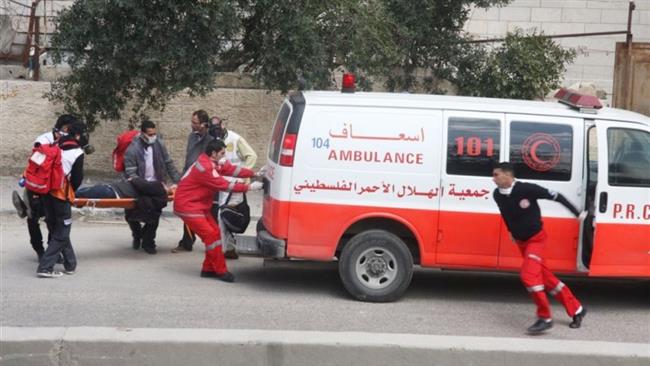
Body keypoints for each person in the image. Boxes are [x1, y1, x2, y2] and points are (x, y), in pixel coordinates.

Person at [492, 162, 587, 333]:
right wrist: (511, 232)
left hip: (536, 240)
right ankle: (577, 309)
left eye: (496, 175)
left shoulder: (527, 189)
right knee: (546, 279)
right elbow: (506, 215)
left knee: (529, 276)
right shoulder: (497, 195)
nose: (493, 179)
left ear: (508, 175)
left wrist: (577, 213)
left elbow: (556, 196)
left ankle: (545, 317)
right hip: (522, 243)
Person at [173, 139, 262, 282]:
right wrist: (249, 188)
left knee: (215, 234)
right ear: (213, 153)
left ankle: (208, 269)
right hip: (188, 205)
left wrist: (253, 174)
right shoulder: (206, 168)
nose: (224, 155)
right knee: (211, 236)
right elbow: (223, 185)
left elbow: (232, 169)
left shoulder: (212, 162)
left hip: (198, 205)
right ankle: (221, 271)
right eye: (222, 153)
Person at [12, 114, 76, 260]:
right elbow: (35, 163)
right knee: (33, 217)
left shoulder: (66, 142)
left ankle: (51, 249)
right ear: (65, 128)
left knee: (51, 218)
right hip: (38, 184)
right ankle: (40, 250)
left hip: (53, 186)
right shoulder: (43, 140)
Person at [36, 121, 87, 278]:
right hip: (60, 194)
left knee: (56, 227)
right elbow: (77, 180)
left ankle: (70, 264)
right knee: (63, 230)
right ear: (78, 135)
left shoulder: (55, 144)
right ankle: (45, 267)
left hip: (46, 192)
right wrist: (71, 192)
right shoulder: (77, 152)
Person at [123, 120, 181, 254]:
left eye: (154, 133)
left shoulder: (159, 144)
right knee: (131, 213)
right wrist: (144, 185)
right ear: (142, 134)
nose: (152, 137)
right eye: (150, 134)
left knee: (155, 212)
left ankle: (149, 241)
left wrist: (179, 181)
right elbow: (131, 174)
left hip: (157, 184)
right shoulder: (132, 149)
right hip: (139, 185)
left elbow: (168, 163)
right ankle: (137, 234)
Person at [210, 116, 258, 259]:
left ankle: (227, 248)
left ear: (223, 125)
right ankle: (228, 247)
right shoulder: (214, 141)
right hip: (221, 184)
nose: (216, 133)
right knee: (221, 215)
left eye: (218, 129)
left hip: (235, 184)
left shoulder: (235, 139)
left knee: (224, 214)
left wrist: (243, 175)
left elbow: (252, 156)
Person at [172, 110, 215, 253]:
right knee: (189, 211)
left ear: (203, 124)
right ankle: (187, 242)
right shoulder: (192, 137)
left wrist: (205, 133)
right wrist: (181, 179)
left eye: (195, 123)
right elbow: (189, 158)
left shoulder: (210, 139)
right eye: (192, 122)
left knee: (204, 212)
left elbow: (208, 156)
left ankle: (212, 240)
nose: (192, 125)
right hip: (189, 179)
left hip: (203, 181)